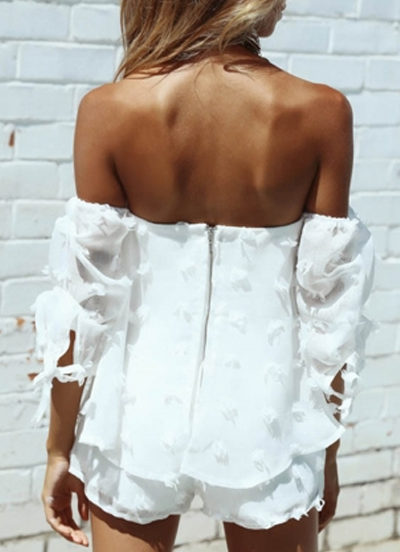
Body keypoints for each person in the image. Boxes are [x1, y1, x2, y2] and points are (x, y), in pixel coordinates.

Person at [28, 1, 376, 551]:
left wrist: (59, 448)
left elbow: (85, 306)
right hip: (269, 423)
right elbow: (328, 316)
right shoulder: (320, 112)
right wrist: (325, 451)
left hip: (134, 419)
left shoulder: (110, 110)